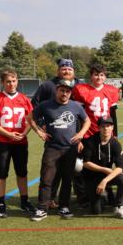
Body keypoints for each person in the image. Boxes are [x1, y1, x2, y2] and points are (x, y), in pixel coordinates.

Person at [28, 78, 90, 221]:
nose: (65, 93)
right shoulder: (45, 105)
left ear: (70, 93)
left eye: (68, 91)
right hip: (52, 148)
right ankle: (42, 208)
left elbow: (87, 120)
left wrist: (81, 134)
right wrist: (39, 132)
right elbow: (30, 117)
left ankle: (64, 206)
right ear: (56, 90)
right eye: (62, 90)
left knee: (67, 179)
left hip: (70, 149)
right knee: (46, 179)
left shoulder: (76, 106)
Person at [0, 69, 37, 218]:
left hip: (20, 141)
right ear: (2, 82)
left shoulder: (24, 99)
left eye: (13, 81)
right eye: (8, 81)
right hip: (2, 142)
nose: (11, 84)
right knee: (1, 173)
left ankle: (24, 201)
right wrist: (8, 134)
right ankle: (1, 204)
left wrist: (24, 134)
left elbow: (30, 121)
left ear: (17, 81)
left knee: (22, 172)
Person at [81, 117, 123, 219]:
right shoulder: (90, 141)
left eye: (108, 126)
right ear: (99, 128)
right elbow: (85, 163)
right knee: (96, 211)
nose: (106, 129)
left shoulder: (115, 144)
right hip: (91, 177)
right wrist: (104, 169)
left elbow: (120, 167)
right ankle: (103, 197)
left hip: (105, 177)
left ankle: (119, 208)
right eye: (103, 126)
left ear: (112, 127)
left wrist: (105, 180)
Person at [72, 64, 120, 140]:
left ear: (105, 77)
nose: (99, 77)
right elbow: (79, 116)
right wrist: (79, 132)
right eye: (96, 75)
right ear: (91, 76)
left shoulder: (111, 90)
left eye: (102, 75)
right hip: (88, 131)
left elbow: (113, 115)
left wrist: (115, 134)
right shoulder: (82, 90)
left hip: (106, 131)